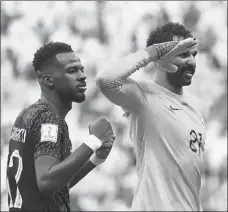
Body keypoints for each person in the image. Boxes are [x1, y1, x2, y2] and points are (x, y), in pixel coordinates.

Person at [96, 22, 206, 211]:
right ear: (160, 59)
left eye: (193, 55)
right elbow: (105, 80)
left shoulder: (195, 106)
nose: (192, 62)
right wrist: (151, 53)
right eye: (183, 54)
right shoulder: (143, 95)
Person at [6, 42, 115, 211]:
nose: (82, 76)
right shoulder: (48, 118)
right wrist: (93, 141)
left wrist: (96, 158)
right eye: (72, 71)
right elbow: (47, 182)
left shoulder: (29, 114)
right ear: (48, 80)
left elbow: (57, 186)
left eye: (81, 69)